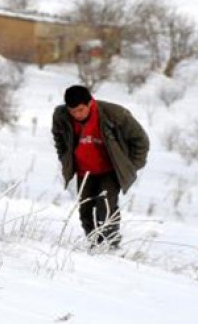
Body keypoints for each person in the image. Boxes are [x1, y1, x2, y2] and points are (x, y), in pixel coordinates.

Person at [51, 85, 149, 249]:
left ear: (90, 103)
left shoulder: (114, 114)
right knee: (85, 211)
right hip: (84, 171)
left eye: (81, 110)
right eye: (72, 111)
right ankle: (95, 246)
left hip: (109, 170)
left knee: (106, 208)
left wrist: (131, 166)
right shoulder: (61, 116)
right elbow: (59, 139)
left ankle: (111, 246)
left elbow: (140, 139)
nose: (77, 114)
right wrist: (65, 158)